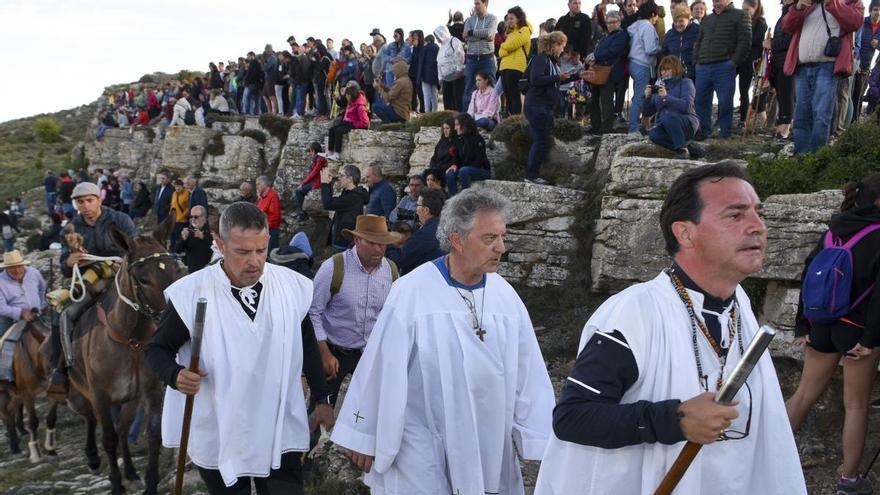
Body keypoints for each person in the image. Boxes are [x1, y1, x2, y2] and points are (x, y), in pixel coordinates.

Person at [534, 162, 806, 494]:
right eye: (735, 215)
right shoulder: (634, 312)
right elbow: (572, 418)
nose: (758, 226)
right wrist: (675, 419)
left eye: (757, 213)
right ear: (685, 233)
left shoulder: (740, 306)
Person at [331, 188, 555, 494]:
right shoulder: (412, 292)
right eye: (489, 238)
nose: (500, 247)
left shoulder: (506, 298)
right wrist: (364, 433)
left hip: (487, 437)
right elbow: (381, 364)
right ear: (457, 240)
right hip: (422, 434)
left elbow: (529, 370)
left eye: (502, 237)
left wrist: (534, 436)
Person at [145, 202, 334, 494]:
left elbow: (306, 342)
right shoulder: (193, 293)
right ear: (220, 244)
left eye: (260, 250)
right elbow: (156, 349)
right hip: (221, 427)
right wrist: (175, 374)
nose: (254, 262)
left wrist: (321, 397)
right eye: (243, 252)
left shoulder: (290, 287)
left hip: (277, 425)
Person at [785, 173, 880, 494]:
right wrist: (869, 341)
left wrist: (802, 326)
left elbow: (809, 273)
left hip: (821, 326)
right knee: (855, 405)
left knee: (803, 396)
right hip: (856, 331)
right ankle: (849, 480)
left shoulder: (833, 231)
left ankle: (765, 456)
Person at [49, 182, 138, 396]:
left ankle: (164, 358)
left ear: (99, 199)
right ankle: (61, 368)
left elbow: (136, 250)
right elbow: (64, 264)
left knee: (153, 305)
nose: (86, 205)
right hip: (89, 283)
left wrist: (125, 263)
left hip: (121, 280)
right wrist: (69, 262)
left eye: (90, 200)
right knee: (63, 315)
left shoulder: (120, 220)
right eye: (81, 202)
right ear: (76, 204)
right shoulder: (71, 227)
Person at [308, 214, 401, 409]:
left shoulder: (391, 271)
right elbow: (313, 312)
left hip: (369, 353)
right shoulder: (333, 268)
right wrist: (324, 354)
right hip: (335, 351)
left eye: (382, 244)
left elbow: (392, 314)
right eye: (372, 243)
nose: (378, 249)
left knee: (367, 411)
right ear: (357, 240)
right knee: (321, 407)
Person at [783, 0, 863, 154]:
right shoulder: (808, 4)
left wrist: (833, 3)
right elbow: (786, 26)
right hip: (803, 66)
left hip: (828, 66)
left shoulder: (851, 2)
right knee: (801, 116)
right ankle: (801, 157)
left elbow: (855, 22)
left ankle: (816, 157)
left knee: (821, 114)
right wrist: (798, 8)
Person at [692, 0, 751, 140]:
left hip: (724, 66)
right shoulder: (707, 19)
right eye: (714, 0)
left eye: (718, 0)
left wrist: (733, 62)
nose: (716, 2)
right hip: (703, 66)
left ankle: (725, 134)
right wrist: (696, 62)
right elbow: (699, 41)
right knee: (700, 101)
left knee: (725, 101)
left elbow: (745, 41)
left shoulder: (740, 15)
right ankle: (703, 132)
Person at [525, 31, 572, 185]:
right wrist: (558, 77)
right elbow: (536, 79)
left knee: (542, 140)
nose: (562, 51)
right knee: (540, 140)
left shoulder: (551, 62)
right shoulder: (541, 59)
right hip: (537, 106)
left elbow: (556, 80)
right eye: (561, 46)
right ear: (554, 45)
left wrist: (580, 76)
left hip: (545, 107)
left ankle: (535, 172)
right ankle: (531, 175)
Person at [643, 56, 700, 157]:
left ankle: (681, 150)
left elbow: (686, 106)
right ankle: (687, 148)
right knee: (654, 135)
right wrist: (647, 97)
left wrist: (666, 97)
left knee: (667, 115)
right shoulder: (659, 86)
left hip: (687, 123)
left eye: (667, 69)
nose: (663, 72)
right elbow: (647, 112)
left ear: (676, 69)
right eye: (662, 70)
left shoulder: (686, 82)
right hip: (667, 125)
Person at [586, 10, 630, 133]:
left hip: (610, 71)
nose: (610, 24)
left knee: (606, 101)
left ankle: (606, 128)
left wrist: (596, 56)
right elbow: (600, 51)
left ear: (619, 22)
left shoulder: (622, 35)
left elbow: (614, 51)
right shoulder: (606, 36)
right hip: (598, 70)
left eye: (613, 22)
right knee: (593, 100)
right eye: (608, 22)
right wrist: (593, 57)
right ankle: (595, 126)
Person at [385, 189, 446, 274]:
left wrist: (387, 241)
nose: (416, 209)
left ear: (426, 210)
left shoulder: (425, 234)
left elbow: (399, 259)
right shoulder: (443, 227)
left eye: (418, 205)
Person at [628, 2, 663, 134]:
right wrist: (661, 48)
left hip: (633, 63)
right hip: (642, 64)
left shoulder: (634, 26)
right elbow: (650, 49)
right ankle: (633, 129)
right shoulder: (648, 27)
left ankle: (636, 126)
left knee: (638, 95)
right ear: (653, 14)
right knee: (639, 97)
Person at [319, 166, 369, 251]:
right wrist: (329, 183)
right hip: (342, 240)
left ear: (350, 178)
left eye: (341, 176)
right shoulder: (349, 193)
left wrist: (324, 184)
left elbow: (328, 204)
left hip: (344, 243)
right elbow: (332, 202)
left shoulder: (354, 197)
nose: (339, 178)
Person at [462, 0, 500, 111]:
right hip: (472, 58)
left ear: (485, 4)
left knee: (492, 88)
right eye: (474, 4)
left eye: (478, 3)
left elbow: (490, 34)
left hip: (487, 58)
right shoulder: (469, 20)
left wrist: (471, 32)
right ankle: (465, 120)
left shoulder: (492, 18)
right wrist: (482, 35)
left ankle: (491, 117)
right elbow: (465, 36)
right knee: (469, 88)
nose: (475, 6)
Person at [737, 0, 768, 128]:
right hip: (740, 59)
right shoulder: (741, 22)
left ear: (755, 9)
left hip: (752, 62)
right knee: (738, 90)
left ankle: (744, 120)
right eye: (743, 10)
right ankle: (741, 118)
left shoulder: (760, 23)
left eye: (747, 10)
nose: (745, 13)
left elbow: (755, 40)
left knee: (749, 91)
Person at [768, 0, 797, 140]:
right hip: (778, 61)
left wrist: (771, 44)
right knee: (781, 95)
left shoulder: (795, 12)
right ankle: (780, 127)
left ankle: (784, 129)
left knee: (787, 96)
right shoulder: (784, 13)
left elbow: (790, 40)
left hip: (788, 60)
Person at [0, 250, 46, 332]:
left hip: (37, 314)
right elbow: (1, 307)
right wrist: (20, 312)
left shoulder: (34, 272)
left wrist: (41, 305)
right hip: (11, 319)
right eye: (12, 267)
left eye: (19, 266)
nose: (17, 271)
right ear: (6, 268)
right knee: (5, 342)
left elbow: (42, 289)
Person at [498, 6, 532, 116]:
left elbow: (510, 45)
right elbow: (500, 52)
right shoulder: (510, 33)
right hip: (504, 67)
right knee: (507, 96)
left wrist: (504, 46)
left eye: (511, 18)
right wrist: (505, 48)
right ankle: (510, 120)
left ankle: (516, 120)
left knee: (514, 95)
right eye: (508, 19)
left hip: (516, 67)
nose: (509, 21)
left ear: (519, 18)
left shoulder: (525, 30)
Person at [448, 113, 492, 195]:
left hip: (481, 170)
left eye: (457, 125)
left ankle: (467, 198)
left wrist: (463, 167)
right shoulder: (458, 139)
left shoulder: (477, 138)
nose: (455, 128)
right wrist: (454, 165)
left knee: (464, 171)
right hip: (465, 168)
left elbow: (480, 160)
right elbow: (456, 156)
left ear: (464, 125)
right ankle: (452, 200)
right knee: (451, 173)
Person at [853, 1, 880, 122]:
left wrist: (878, 44)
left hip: (867, 67)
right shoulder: (862, 22)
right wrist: (856, 61)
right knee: (850, 95)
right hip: (854, 63)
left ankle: (855, 123)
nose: (878, 12)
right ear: (870, 11)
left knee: (859, 95)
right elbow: (855, 42)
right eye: (875, 9)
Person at [326, 86, 370, 161]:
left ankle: (337, 154)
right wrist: (336, 99)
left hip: (355, 124)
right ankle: (330, 152)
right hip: (348, 121)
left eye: (346, 95)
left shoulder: (360, 106)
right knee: (332, 129)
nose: (345, 97)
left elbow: (365, 122)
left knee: (338, 131)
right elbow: (342, 103)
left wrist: (353, 124)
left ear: (350, 96)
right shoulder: (351, 101)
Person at [434, 25, 467, 112]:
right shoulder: (441, 47)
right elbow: (439, 63)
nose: (437, 38)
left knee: (457, 100)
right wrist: (440, 78)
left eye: (437, 36)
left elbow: (460, 55)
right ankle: (449, 121)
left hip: (456, 76)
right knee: (447, 102)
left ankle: (459, 120)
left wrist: (459, 70)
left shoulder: (454, 41)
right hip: (446, 78)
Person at [663, 5, 699, 79]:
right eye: (675, 21)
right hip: (674, 75)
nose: (678, 24)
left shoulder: (698, 30)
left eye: (681, 21)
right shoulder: (670, 34)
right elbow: (664, 53)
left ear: (688, 19)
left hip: (694, 74)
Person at [173, 205, 213, 273]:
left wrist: (203, 237)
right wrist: (183, 239)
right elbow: (177, 250)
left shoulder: (211, 230)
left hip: (209, 270)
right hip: (193, 271)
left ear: (204, 217)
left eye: (196, 217)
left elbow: (217, 248)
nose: (193, 220)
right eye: (191, 217)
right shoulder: (189, 231)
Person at [294, 142, 328, 219]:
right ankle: (303, 211)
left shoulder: (320, 159)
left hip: (317, 183)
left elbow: (314, 173)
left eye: (310, 151)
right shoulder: (318, 158)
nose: (310, 153)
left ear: (313, 151)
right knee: (298, 191)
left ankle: (303, 212)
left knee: (298, 191)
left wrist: (303, 183)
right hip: (314, 182)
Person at [256, 176, 282, 253]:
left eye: (258, 184)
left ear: (264, 184)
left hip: (270, 231)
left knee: (270, 255)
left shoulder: (272, 196)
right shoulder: (262, 197)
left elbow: (276, 216)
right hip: (263, 231)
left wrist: (265, 228)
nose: (256, 187)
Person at [418, 34, 441, 113]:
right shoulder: (438, 48)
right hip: (435, 76)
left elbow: (421, 63)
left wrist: (419, 77)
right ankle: (435, 111)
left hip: (425, 76)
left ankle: (427, 112)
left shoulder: (425, 48)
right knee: (434, 95)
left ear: (427, 41)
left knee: (426, 96)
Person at [170, 179, 190, 249]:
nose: (177, 188)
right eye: (176, 186)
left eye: (178, 186)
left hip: (182, 221)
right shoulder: (174, 193)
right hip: (174, 219)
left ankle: (179, 251)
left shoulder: (186, 194)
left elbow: (188, 208)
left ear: (182, 186)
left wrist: (181, 217)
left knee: (180, 237)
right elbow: (172, 205)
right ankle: (172, 250)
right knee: (172, 236)